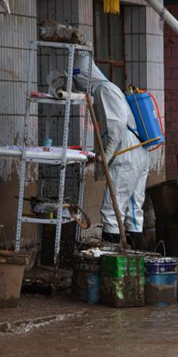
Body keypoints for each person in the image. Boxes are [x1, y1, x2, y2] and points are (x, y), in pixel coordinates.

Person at [73, 52, 149, 249]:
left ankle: (113, 262)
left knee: (111, 210)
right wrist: (96, 154)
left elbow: (116, 125)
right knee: (133, 209)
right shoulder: (105, 90)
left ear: (82, 76)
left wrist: (106, 155)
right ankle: (136, 260)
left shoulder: (104, 90)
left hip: (126, 156)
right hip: (137, 152)